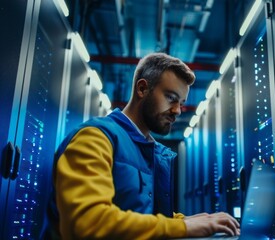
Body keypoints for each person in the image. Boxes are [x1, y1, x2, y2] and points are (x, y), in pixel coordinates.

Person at [46, 53, 240, 239]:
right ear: (142, 89)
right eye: (171, 98)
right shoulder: (94, 138)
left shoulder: (147, 149)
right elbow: (89, 224)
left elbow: (138, 213)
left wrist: (189, 220)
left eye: (181, 103)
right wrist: (182, 227)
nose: (178, 111)